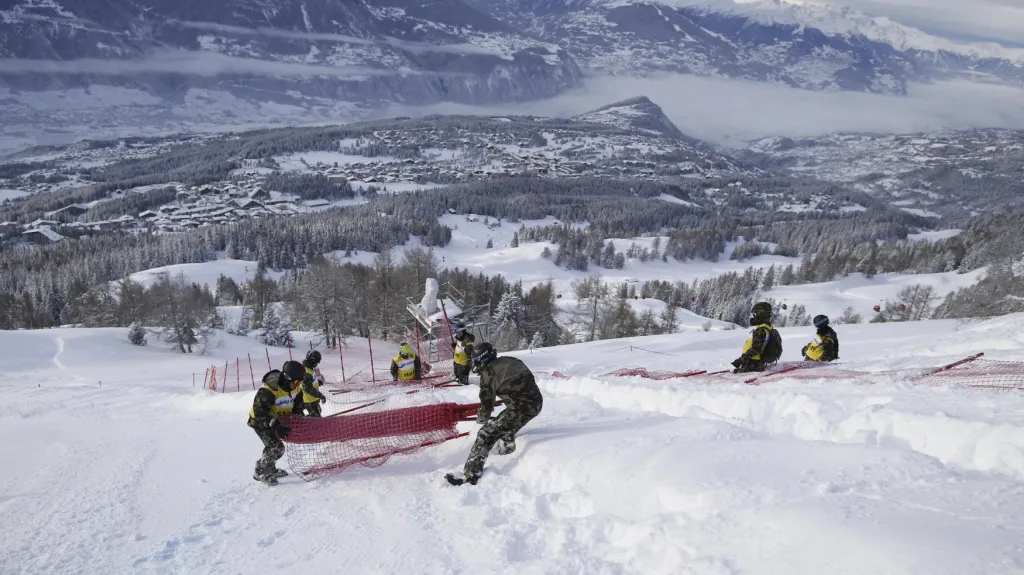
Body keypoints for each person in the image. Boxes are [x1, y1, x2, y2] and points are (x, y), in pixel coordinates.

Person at [446, 343, 544, 486]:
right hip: (536, 403)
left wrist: (481, 419)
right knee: (506, 429)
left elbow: (486, 407)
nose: (474, 366)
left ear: (481, 359)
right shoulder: (510, 360)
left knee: (485, 434)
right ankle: (506, 453)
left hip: (520, 408)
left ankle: (471, 473)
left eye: (474, 362)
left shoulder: (488, 375)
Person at [248, 360, 305, 486]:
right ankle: (260, 471)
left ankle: (270, 468)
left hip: (278, 420)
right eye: (296, 382)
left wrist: (299, 419)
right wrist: (275, 425)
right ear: (287, 378)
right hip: (259, 421)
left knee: (273, 446)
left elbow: (297, 407)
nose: (298, 385)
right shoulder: (269, 391)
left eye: (300, 382)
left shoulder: (296, 389)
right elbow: (260, 414)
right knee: (276, 447)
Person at [731, 301, 782, 373]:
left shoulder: (761, 330)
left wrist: (740, 360)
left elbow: (756, 349)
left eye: (755, 314)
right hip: (753, 362)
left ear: (760, 315)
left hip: (752, 364)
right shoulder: (767, 327)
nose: (753, 317)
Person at [294, 349, 328, 417]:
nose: (316, 364)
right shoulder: (307, 372)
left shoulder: (310, 369)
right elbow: (308, 389)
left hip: (313, 399)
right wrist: (320, 395)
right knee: (316, 421)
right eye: (316, 362)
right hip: (309, 401)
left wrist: (318, 382)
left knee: (317, 414)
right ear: (312, 361)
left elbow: (310, 382)